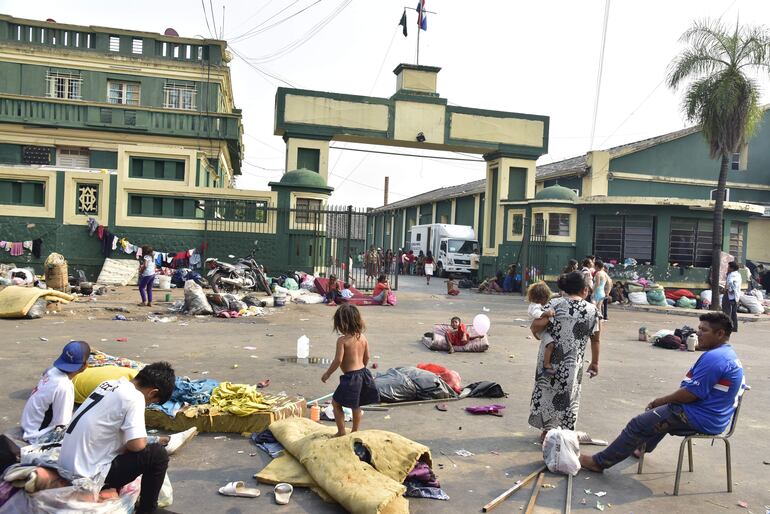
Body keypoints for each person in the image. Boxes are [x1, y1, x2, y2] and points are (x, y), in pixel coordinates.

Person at [580, 312, 745, 472]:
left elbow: (690, 394)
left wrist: (660, 400)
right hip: (714, 416)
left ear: (720, 333)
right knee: (662, 413)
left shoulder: (715, 358)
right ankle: (640, 448)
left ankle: (599, 463)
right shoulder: (726, 354)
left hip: (702, 418)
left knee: (639, 423)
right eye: (699, 328)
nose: (698, 333)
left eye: (704, 330)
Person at [56, 362, 177, 513]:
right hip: (87, 474)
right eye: (153, 402)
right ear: (153, 393)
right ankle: (148, 510)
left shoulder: (108, 384)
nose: (148, 405)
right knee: (157, 454)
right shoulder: (136, 397)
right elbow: (137, 445)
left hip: (66, 464)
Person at [529, 271, 601, 441]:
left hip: (548, 360)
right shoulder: (592, 311)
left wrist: (549, 322)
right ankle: (564, 432)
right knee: (568, 394)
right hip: (572, 363)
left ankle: (547, 431)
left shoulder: (555, 304)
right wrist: (595, 363)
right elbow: (596, 340)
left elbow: (535, 327)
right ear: (584, 290)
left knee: (547, 392)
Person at [321, 304, 380, 437]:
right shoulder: (362, 338)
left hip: (351, 377)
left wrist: (327, 374)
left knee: (336, 403)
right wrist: (362, 369)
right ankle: (354, 431)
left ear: (342, 323)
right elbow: (367, 357)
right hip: (363, 374)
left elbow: (338, 360)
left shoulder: (342, 341)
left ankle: (341, 431)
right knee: (356, 405)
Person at [21, 341, 90, 444]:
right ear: (84, 366)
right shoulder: (64, 386)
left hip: (28, 424)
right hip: (36, 436)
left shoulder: (51, 371)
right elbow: (62, 425)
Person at [527, 282, 556, 374]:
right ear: (541, 298)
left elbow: (552, 295)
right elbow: (536, 314)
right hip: (540, 330)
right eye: (546, 298)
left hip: (541, 328)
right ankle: (546, 364)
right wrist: (546, 313)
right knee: (551, 344)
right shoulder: (535, 306)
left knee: (549, 344)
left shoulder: (537, 304)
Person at [722, 261, 741, 333]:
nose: (727, 268)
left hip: (729, 296)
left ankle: (727, 328)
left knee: (727, 312)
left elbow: (730, 282)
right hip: (735, 297)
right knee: (733, 313)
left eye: (728, 267)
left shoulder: (731, 274)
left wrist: (730, 289)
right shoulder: (738, 274)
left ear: (732, 268)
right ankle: (734, 328)